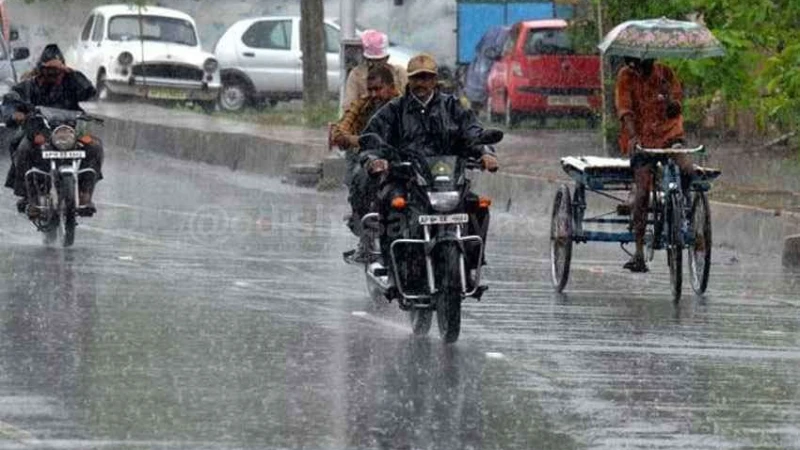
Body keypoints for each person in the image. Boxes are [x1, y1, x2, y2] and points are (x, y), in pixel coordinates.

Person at [359, 53, 499, 264]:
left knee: (476, 205)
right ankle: (391, 266)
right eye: (416, 78)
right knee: (391, 204)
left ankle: (472, 262)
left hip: (447, 180)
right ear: (409, 79)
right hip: (405, 180)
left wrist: (485, 152)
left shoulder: (453, 107)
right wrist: (375, 159)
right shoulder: (394, 110)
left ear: (435, 80)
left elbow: (473, 131)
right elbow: (372, 138)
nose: (421, 83)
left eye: (426, 78)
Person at [615, 57, 693, 273]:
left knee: (688, 170)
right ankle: (639, 253)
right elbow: (625, 111)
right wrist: (633, 137)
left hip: (670, 137)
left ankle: (686, 216)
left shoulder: (665, 74)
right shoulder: (625, 77)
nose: (641, 66)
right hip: (642, 140)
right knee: (642, 194)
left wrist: (671, 101)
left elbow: (676, 109)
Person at [6, 44, 103, 218]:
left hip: (69, 132)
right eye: (49, 70)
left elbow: (89, 92)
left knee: (94, 146)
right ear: (41, 70)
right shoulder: (29, 86)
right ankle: (31, 196)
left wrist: (71, 72)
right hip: (39, 131)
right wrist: (16, 114)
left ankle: (85, 195)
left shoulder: (71, 82)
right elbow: (10, 101)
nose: (53, 75)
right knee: (22, 148)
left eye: (57, 71)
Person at [333, 64, 400, 262]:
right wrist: (359, 140)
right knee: (359, 179)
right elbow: (341, 131)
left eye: (378, 89)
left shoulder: (404, 105)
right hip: (373, 158)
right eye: (370, 89)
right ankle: (366, 238)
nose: (374, 94)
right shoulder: (363, 105)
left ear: (391, 87)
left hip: (404, 159)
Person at [342, 29, 408, 108]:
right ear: (366, 59)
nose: (375, 65)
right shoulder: (356, 75)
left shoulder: (399, 72)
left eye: (379, 61)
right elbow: (349, 106)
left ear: (386, 58)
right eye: (371, 61)